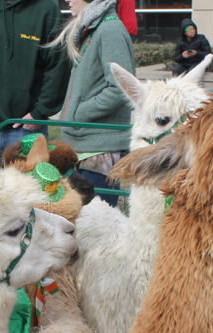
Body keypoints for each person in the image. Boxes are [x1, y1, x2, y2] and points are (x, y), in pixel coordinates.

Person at [0, 0, 70, 162]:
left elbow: (58, 66)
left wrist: (39, 113)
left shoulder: (47, 10)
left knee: (28, 187)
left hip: (27, 129)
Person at [49, 0, 135, 207]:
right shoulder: (94, 29)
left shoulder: (109, 29)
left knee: (97, 227)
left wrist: (78, 114)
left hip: (98, 151)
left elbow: (120, 88)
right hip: (87, 149)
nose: (67, 0)